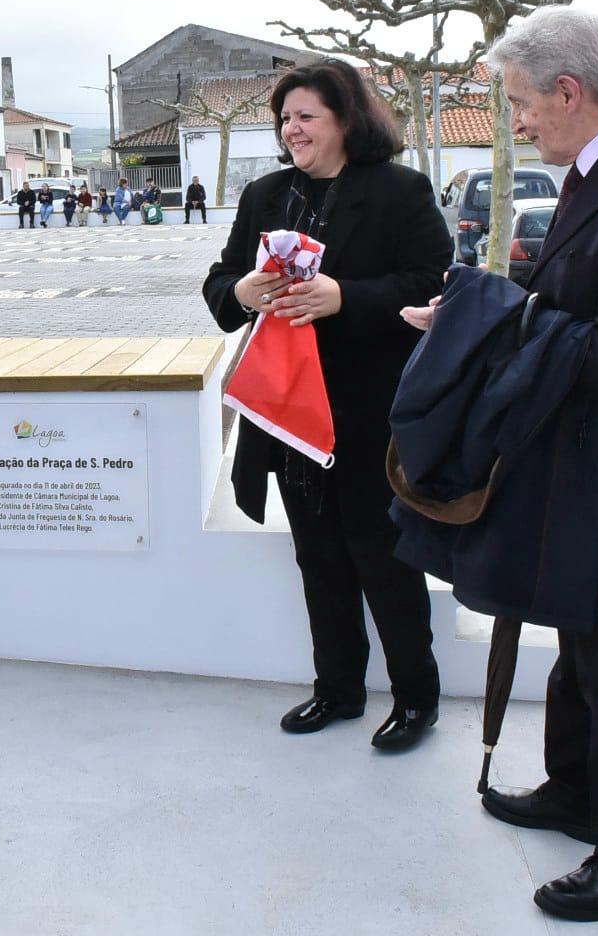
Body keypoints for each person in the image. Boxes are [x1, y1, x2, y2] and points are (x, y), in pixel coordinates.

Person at [421, 7, 598, 923]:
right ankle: (577, 791)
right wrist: (474, 311)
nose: (515, 122)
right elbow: (564, 301)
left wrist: (489, 326)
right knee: (581, 649)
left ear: (568, 92)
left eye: (519, 103)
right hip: (590, 465)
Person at [202, 59, 447, 754]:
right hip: (286, 410)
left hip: (368, 410)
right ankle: (338, 689)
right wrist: (243, 291)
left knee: (384, 558)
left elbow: (432, 282)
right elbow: (221, 284)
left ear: (346, 120)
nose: (292, 129)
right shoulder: (267, 195)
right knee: (318, 557)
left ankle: (416, 699)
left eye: (306, 116)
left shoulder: (400, 191)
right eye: (285, 119)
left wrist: (345, 296)